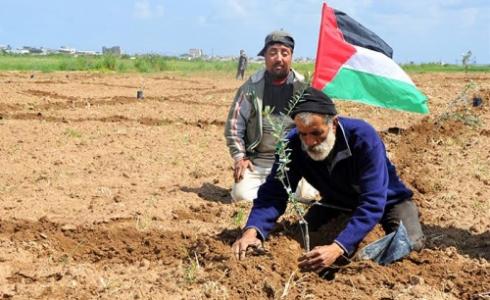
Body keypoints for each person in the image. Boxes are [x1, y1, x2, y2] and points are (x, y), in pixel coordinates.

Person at [231, 87, 425, 273]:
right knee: (296, 238)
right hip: (337, 203)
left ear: (333, 123)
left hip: (388, 201)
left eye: (317, 133)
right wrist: (252, 230)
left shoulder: (363, 138)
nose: (309, 142)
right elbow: (274, 192)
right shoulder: (291, 145)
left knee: (409, 242)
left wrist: (338, 247)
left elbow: (373, 201)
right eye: (303, 134)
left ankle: (360, 262)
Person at [224, 30, 318, 202]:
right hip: (259, 162)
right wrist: (240, 157)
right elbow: (234, 126)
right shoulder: (250, 88)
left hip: (295, 161)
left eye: (284, 53)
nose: (279, 58)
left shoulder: (304, 88)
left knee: (308, 197)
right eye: (273, 52)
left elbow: (318, 128)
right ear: (265, 56)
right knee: (241, 196)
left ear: (291, 57)